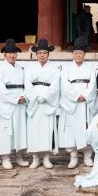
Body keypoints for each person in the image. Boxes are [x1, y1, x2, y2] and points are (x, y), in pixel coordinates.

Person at [58, 38, 98, 169]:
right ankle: (73, 156)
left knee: (87, 128)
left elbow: (93, 84)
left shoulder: (90, 68)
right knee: (71, 130)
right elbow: (65, 86)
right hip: (72, 104)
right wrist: (76, 96)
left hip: (86, 103)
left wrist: (85, 96)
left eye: (80, 53)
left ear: (84, 54)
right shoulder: (66, 69)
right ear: (73, 54)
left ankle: (87, 156)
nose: (78, 55)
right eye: (76, 53)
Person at [0, 39, 29, 170]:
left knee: (19, 129)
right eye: (9, 53)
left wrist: (24, 96)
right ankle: (5, 157)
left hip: (20, 102)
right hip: (6, 104)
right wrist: (14, 99)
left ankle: (19, 156)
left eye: (14, 53)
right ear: (4, 55)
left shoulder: (20, 69)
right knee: (6, 131)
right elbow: (0, 89)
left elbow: (27, 85)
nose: (12, 55)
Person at [24, 39, 61, 169]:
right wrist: (36, 96)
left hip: (47, 103)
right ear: (36, 54)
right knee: (34, 130)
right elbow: (27, 85)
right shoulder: (30, 69)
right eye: (39, 53)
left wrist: (45, 96)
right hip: (34, 103)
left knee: (47, 130)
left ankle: (46, 157)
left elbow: (55, 86)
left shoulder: (54, 69)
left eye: (45, 53)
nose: (42, 55)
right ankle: (35, 158)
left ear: (48, 54)